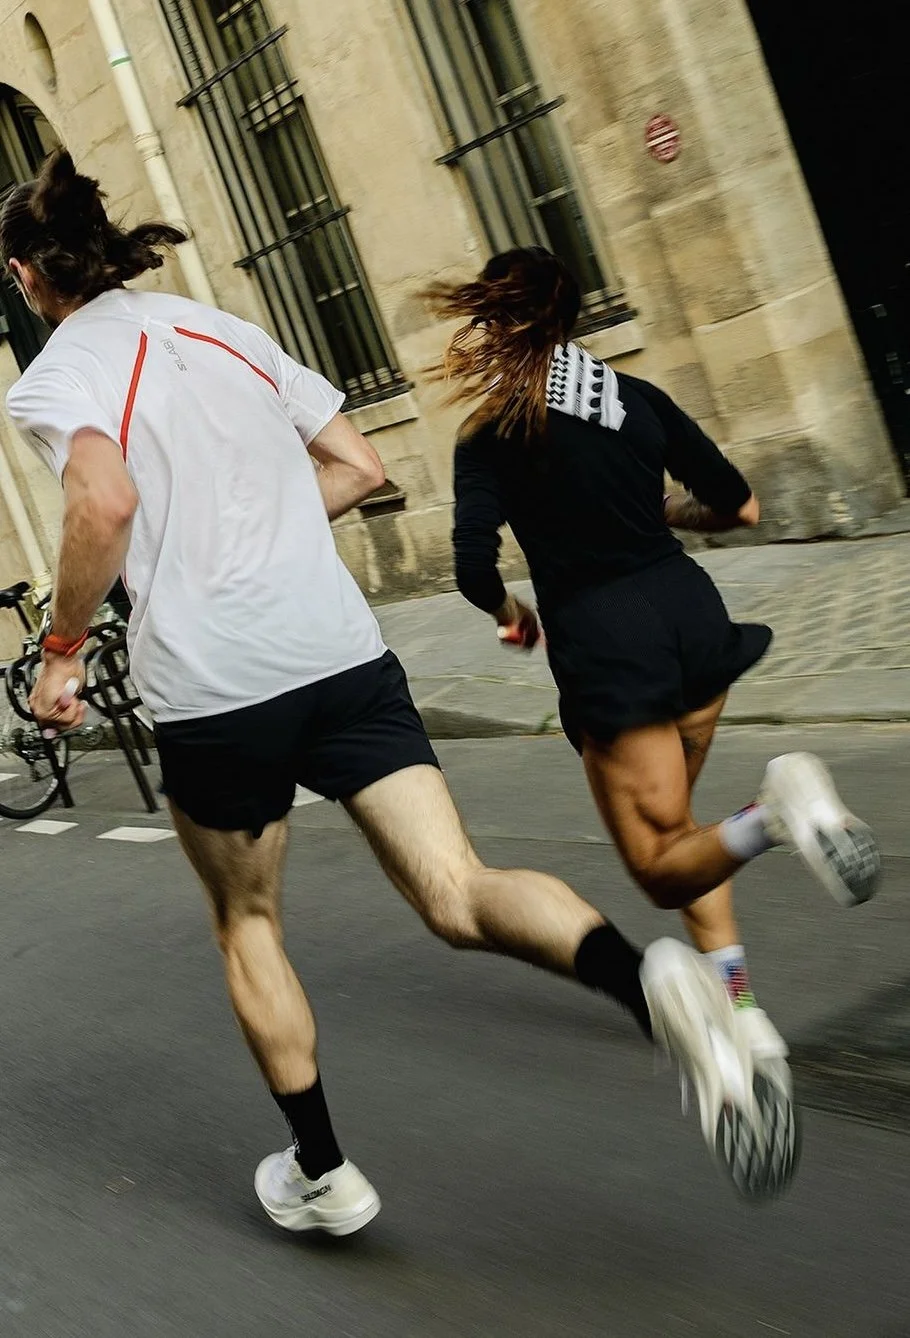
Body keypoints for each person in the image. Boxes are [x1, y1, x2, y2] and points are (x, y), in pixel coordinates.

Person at [4, 154, 790, 1237]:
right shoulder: (224, 330)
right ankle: (649, 978)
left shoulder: (55, 377)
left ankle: (323, 1174)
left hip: (217, 686)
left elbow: (103, 499)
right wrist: (263, 532)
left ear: (26, 276)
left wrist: (61, 649)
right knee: (460, 890)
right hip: (339, 652)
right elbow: (360, 467)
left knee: (248, 922)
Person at [430, 244, 881, 1140]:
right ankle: (745, 1015)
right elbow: (740, 507)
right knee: (684, 837)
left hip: (609, 650)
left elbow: (474, 569)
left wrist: (514, 616)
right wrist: (666, 512)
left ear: (495, 320)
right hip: (691, 619)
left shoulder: (488, 433)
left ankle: (778, 811)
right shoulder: (634, 399)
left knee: (655, 864)